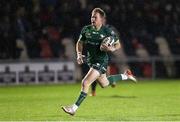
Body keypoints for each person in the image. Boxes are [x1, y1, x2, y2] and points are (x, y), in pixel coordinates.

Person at [62, 8, 137, 116]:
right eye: (92, 16)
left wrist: (112, 49)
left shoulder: (107, 31)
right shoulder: (86, 29)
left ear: (101, 19)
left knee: (85, 82)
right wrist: (79, 54)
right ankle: (126, 76)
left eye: (95, 17)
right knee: (104, 83)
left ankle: (73, 108)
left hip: (101, 61)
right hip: (91, 61)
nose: (93, 19)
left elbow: (118, 44)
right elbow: (79, 42)